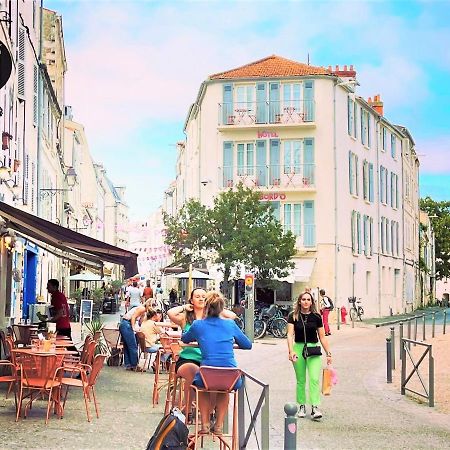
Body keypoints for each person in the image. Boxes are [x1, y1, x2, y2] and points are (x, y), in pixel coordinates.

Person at [181, 292, 252, 435]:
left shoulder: (198, 324)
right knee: (224, 388)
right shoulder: (230, 324)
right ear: (222, 308)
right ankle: (219, 425)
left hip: (207, 373)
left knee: (201, 386)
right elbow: (247, 344)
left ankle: (205, 424)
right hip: (231, 375)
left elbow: (185, 338)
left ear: (206, 307)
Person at [167, 288, 236, 418]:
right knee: (194, 372)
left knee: (216, 376)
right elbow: (170, 313)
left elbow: (232, 316)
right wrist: (184, 307)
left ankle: (209, 412)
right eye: (197, 296)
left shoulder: (212, 318)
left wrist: (216, 305)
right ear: (191, 300)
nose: (201, 299)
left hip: (207, 359)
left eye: (204, 297)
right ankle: (188, 411)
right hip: (189, 357)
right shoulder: (185, 318)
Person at [287, 291, 332, 420]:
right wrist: (291, 351)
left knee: (314, 378)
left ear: (312, 302)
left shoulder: (316, 317)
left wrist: (329, 353)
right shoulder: (293, 316)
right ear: (299, 301)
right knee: (301, 380)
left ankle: (315, 407)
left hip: (313, 349)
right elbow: (290, 335)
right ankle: (301, 405)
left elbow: (322, 337)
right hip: (298, 348)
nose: (306, 302)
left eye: (308, 299)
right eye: (303, 299)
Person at [119, 299, 152, 371]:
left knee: (127, 345)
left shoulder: (143, 310)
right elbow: (133, 317)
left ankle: (128, 364)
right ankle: (134, 365)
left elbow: (140, 322)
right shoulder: (142, 308)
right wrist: (133, 328)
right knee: (133, 346)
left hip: (124, 324)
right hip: (127, 324)